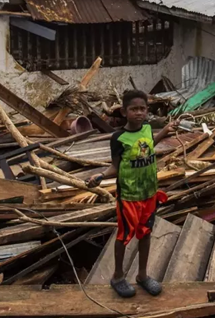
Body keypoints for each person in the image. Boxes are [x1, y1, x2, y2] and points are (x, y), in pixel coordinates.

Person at [86, 90, 176, 298]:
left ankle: (142, 275)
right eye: (134, 109)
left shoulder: (146, 128)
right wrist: (100, 176)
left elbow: (149, 143)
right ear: (125, 112)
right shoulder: (118, 138)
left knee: (145, 234)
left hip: (149, 194)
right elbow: (115, 168)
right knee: (124, 236)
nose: (139, 113)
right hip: (129, 197)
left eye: (143, 109)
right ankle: (118, 276)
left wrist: (166, 130)